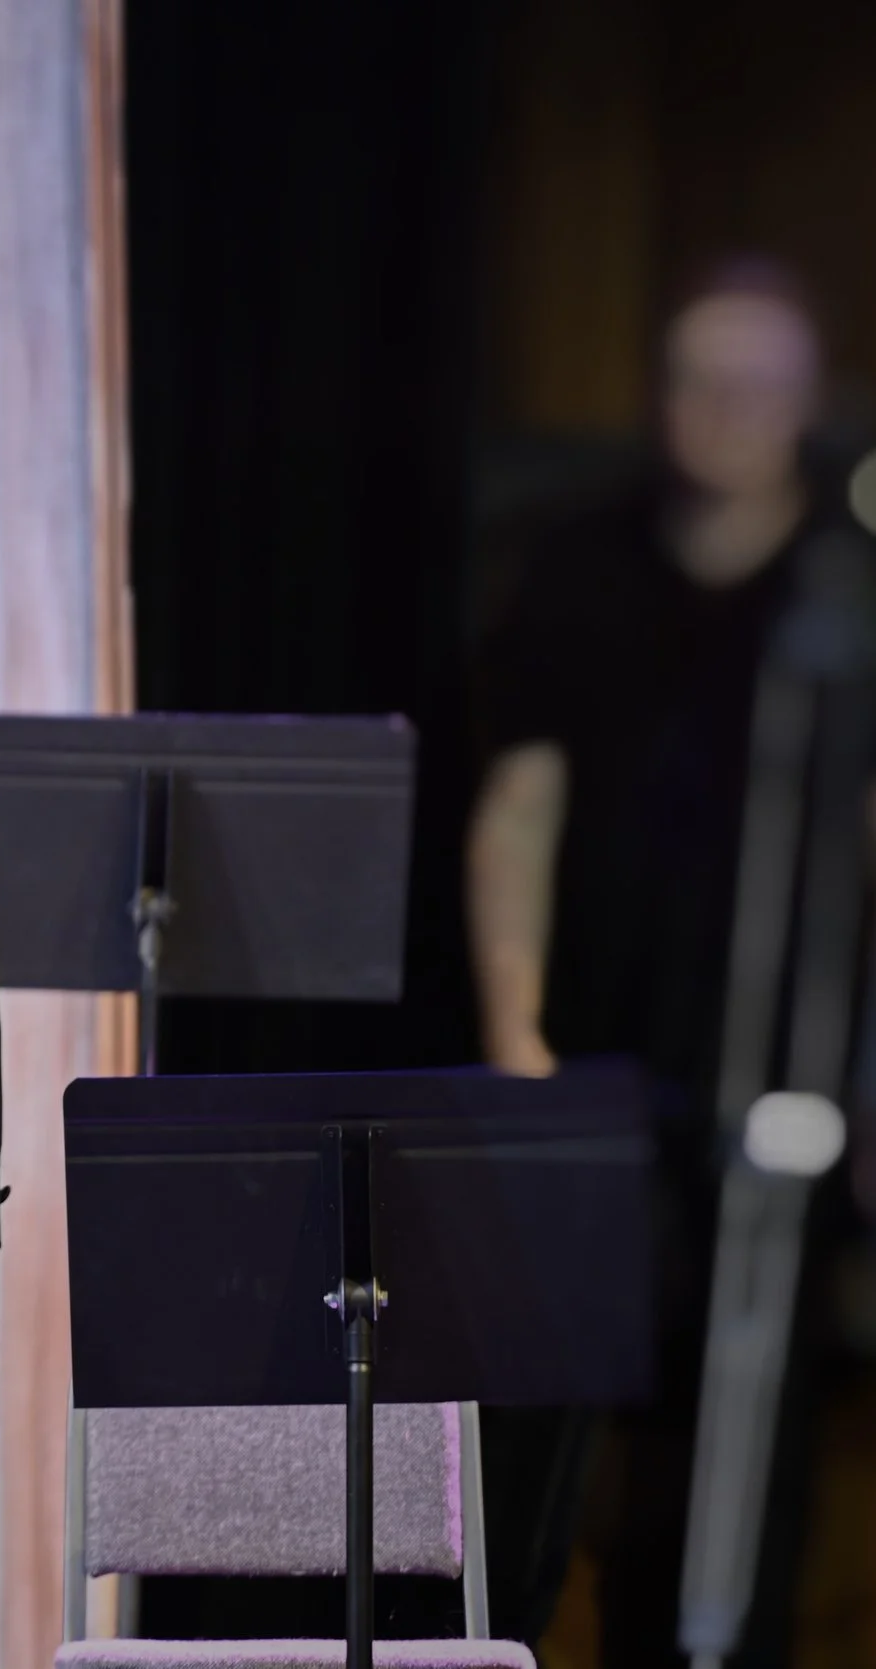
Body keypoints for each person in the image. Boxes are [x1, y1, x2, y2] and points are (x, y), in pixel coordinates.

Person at [465, 259, 870, 1667]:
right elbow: (520, 808)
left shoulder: (847, 582)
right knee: (548, 1414)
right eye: (703, 381)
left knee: (752, 1420)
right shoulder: (580, 563)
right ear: (660, 395)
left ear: (809, 404)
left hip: (790, 1071)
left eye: (760, 387)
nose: (729, 412)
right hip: (594, 1055)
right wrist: (517, 1038)